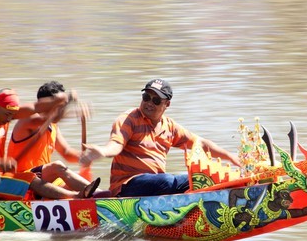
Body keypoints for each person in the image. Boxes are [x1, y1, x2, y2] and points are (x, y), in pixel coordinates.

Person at [80, 78, 240, 197]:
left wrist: (231, 157)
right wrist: (102, 151)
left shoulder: (169, 127)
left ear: (167, 104)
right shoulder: (129, 119)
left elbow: (201, 144)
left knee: (202, 179)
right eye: (146, 97)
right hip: (127, 187)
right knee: (168, 181)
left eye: (156, 100)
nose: (149, 103)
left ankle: (234, 187)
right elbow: (116, 144)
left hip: (155, 184)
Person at [0, 88, 100, 201]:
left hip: (0, 177)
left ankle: (99, 196)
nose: (9, 119)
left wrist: (66, 99)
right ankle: (77, 197)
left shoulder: (3, 115)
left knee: (53, 175)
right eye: (7, 114)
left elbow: (35, 107)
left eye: (11, 115)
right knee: (31, 179)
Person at [7, 81, 101, 194]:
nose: (61, 109)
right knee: (57, 167)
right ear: (45, 104)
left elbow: (66, 152)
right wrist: (69, 101)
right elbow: (51, 117)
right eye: (59, 105)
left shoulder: (53, 126)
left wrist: (84, 157)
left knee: (77, 179)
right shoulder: (28, 120)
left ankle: (96, 197)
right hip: (21, 180)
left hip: (42, 181)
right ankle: (100, 194)